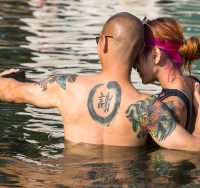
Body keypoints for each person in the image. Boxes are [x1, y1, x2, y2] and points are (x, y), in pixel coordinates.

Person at [1, 12, 200, 151]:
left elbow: (9, 91)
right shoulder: (150, 108)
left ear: (103, 42)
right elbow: (194, 147)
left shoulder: (64, 86)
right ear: (139, 51)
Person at [133, 17, 200, 133]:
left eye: (138, 52)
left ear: (156, 55)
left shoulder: (169, 106)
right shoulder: (194, 83)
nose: (133, 63)